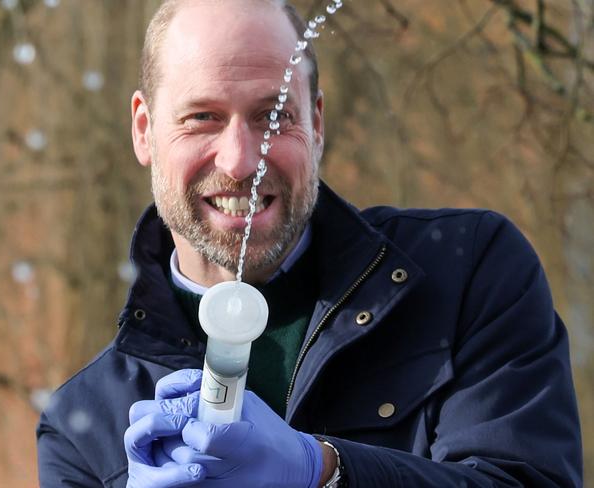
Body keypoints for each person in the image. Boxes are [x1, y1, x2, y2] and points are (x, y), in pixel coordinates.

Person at [36, 0, 583, 486]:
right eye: (201, 118)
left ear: (316, 124)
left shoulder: (467, 273)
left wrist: (321, 469)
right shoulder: (83, 429)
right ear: (143, 130)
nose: (241, 160)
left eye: (272, 117)